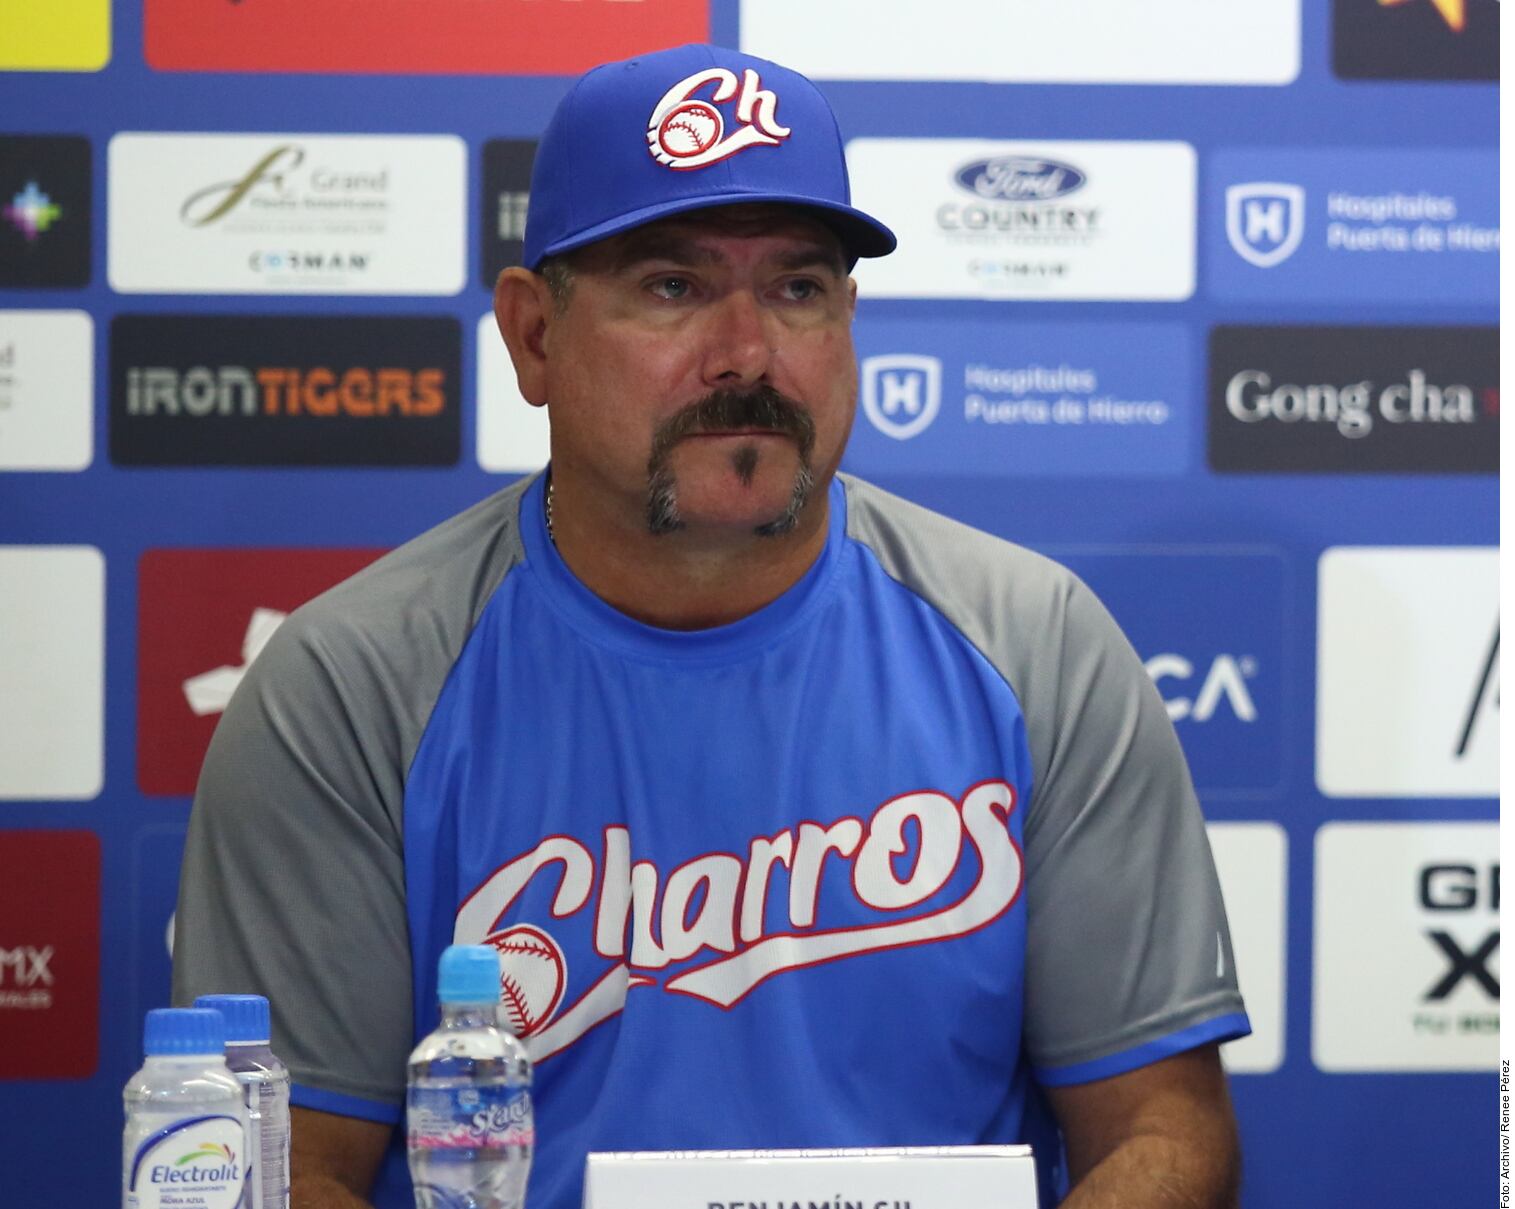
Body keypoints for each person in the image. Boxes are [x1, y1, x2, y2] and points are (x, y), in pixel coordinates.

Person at [173, 42, 1249, 1209]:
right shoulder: (351, 688)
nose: (748, 354)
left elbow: (1162, 1132)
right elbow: (286, 1174)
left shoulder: (1036, 649)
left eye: (798, 289)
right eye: (673, 288)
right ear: (535, 337)